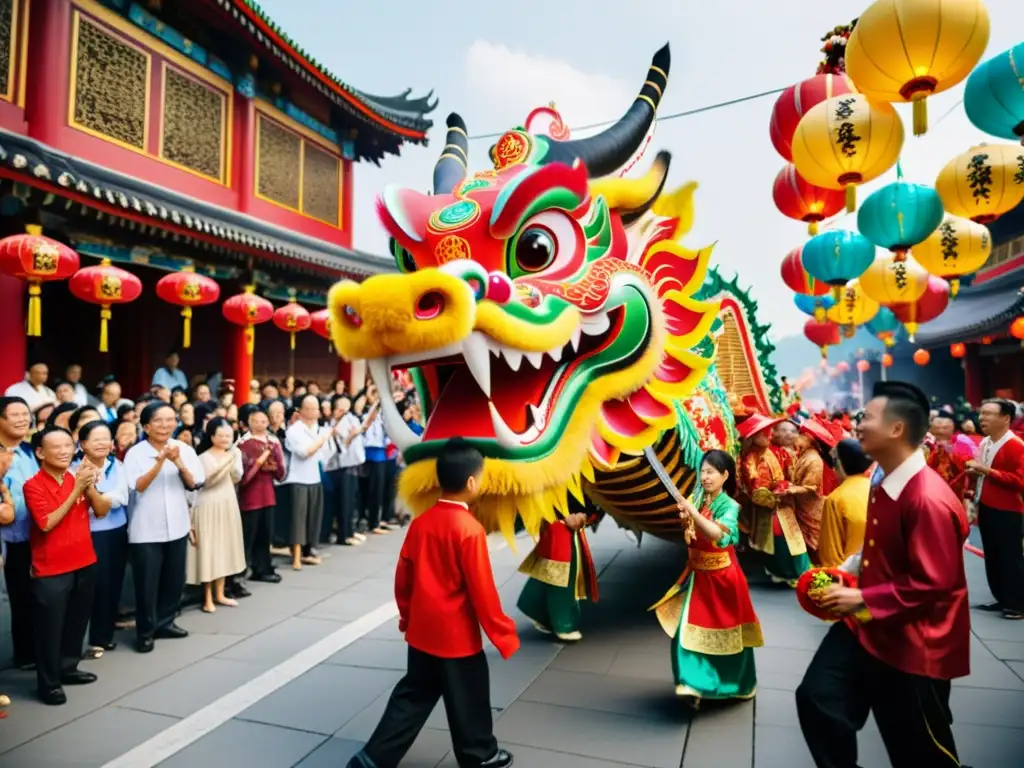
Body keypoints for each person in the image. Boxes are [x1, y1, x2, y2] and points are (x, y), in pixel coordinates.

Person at [795, 381, 970, 767]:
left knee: (918, 747)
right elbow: (876, 542)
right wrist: (845, 573)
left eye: (867, 418)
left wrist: (861, 598)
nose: (857, 426)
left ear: (897, 429)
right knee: (818, 699)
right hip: (867, 623)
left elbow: (934, 584)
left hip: (913, 639)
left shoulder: (927, 499)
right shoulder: (881, 478)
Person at [348, 439, 517, 768]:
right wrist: (503, 632)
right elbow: (483, 591)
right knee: (469, 696)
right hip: (456, 637)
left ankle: (372, 759)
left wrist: (407, 619)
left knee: (413, 695)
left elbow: (403, 580)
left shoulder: (421, 523)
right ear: (471, 483)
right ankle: (479, 755)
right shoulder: (469, 529)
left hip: (423, 632)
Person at [650, 450, 762, 708]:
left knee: (730, 637)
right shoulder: (698, 498)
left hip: (724, 579)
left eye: (711, 471)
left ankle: (736, 684)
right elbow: (692, 534)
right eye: (702, 471)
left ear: (725, 475)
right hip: (698, 577)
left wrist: (693, 514)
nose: (705, 476)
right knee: (686, 633)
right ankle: (691, 683)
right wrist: (687, 516)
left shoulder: (730, 506)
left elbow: (718, 535)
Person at [24, 426, 107, 705]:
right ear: (40, 452)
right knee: (50, 628)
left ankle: (68, 668)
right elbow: (46, 523)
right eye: (56, 447)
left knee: (76, 621)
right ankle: (48, 684)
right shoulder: (33, 485)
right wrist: (77, 490)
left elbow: (101, 510)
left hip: (85, 560)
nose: (64, 452)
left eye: (67, 446)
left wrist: (89, 486)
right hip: (51, 568)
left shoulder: (77, 476)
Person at [124, 402, 205, 653]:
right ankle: (145, 631)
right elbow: (136, 486)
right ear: (146, 426)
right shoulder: (135, 454)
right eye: (158, 421)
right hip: (145, 528)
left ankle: (166, 622)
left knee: (173, 579)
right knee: (147, 583)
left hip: (177, 525)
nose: (165, 425)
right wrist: (159, 462)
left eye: (170, 419)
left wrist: (178, 462)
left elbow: (194, 483)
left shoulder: (184, 449)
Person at [73, 421, 130, 659]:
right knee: (88, 588)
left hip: (115, 533)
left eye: (106, 438)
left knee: (111, 585)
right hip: (86, 535)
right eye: (95, 439)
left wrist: (96, 496)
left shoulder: (116, 465)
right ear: (83, 443)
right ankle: (81, 642)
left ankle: (103, 637)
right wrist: (103, 500)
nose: (102, 443)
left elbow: (122, 498)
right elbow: (80, 507)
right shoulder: (72, 469)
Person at [967, 397, 1024, 620]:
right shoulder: (986, 442)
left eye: (989, 414)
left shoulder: (1016, 445)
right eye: (982, 413)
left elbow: (1020, 481)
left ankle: (1017, 604)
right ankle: (1002, 597)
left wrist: (986, 471)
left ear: (1006, 418)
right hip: (987, 505)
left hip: (1009, 509)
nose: (982, 418)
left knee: (1010, 557)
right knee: (992, 555)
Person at [739, 413, 810, 586]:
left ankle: (797, 571)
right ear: (754, 437)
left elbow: (782, 476)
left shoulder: (771, 452)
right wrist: (774, 495)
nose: (768, 435)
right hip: (768, 506)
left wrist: (784, 485)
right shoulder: (751, 458)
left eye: (769, 432)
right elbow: (754, 487)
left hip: (782, 501)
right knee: (780, 534)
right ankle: (783, 571)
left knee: (792, 534)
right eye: (764, 433)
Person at [187, 418, 246, 612]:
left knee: (223, 548)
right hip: (209, 505)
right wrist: (227, 462)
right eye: (221, 435)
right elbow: (208, 482)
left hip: (227, 502)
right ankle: (207, 597)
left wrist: (234, 459)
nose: (225, 439)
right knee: (209, 550)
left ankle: (220, 593)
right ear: (212, 437)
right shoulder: (203, 457)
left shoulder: (233, 454)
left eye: (229, 435)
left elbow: (237, 477)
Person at [517, 508, 599, 642]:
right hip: (560, 516)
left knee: (552, 560)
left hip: (558, 515)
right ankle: (563, 621)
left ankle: (534, 605)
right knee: (563, 564)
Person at [0, 396, 39, 671]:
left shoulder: (30, 449)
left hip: (35, 534)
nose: (23, 419)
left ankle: (34, 651)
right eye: (15, 414)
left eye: (26, 414)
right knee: (19, 595)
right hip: (8, 538)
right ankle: (24, 653)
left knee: (33, 595)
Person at [283, 394, 337, 569]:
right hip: (298, 479)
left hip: (315, 476)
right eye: (311, 408)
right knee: (298, 519)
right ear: (303, 410)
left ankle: (309, 551)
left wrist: (324, 440)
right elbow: (304, 453)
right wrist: (323, 439)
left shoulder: (319, 429)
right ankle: (296, 556)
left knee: (313, 517)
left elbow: (327, 455)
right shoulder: (294, 430)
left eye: (317, 408)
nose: (315, 412)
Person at [238, 407, 286, 580]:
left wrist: (275, 458)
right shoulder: (243, 444)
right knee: (248, 535)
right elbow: (241, 475)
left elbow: (281, 473)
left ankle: (263, 568)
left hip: (268, 493)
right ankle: (241, 571)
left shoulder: (273, 441)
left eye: (263, 421)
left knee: (265, 535)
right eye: (256, 421)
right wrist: (258, 462)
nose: (260, 424)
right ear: (249, 423)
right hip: (251, 495)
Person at [816, 439, 872, 569]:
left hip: (848, 573)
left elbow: (830, 554)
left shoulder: (836, 499)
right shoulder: (876, 488)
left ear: (840, 464)